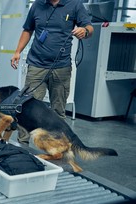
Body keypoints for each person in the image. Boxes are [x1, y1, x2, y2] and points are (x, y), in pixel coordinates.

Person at [10, 0, 93, 144]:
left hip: (61, 66)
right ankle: (21, 145)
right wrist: (17, 52)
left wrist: (84, 31)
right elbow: (28, 30)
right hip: (36, 64)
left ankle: (57, 146)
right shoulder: (37, 5)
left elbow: (90, 28)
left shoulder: (75, 5)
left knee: (58, 110)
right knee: (27, 107)